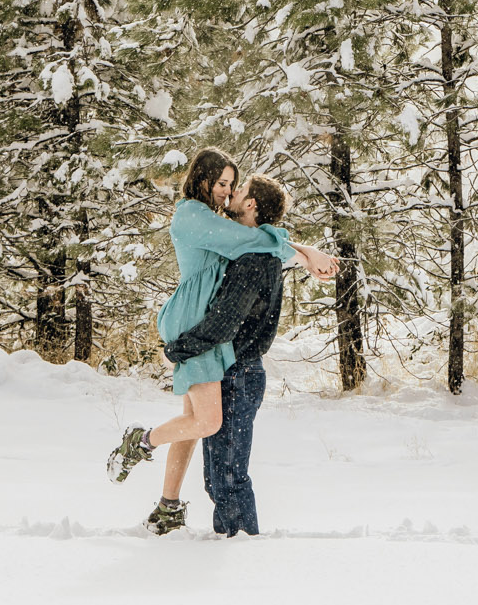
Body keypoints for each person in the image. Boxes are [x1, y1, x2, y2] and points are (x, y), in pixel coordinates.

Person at [104, 150, 333, 529]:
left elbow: (260, 239)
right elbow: (254, 238)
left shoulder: (211, 217)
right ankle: (141, 441)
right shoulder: (191, 214)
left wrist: (303, 252)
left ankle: (169, 507)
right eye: (222, 184)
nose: (227, 194)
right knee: (208, 422)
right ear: (203, 178)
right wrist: (305, 252)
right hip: (193, 320)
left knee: (193, 419)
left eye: (232, 186)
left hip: (200, 322)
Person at [155, 172, 310, 536]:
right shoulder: (256, 250)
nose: (231, 195)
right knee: (218, 479)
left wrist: (177, 350)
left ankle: (242, 550)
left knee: (227, 478)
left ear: (251, 204)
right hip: (235, 372)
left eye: (238, 190)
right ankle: (222, 538)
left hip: (239, 375)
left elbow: (223, 323)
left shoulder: (253, 260)